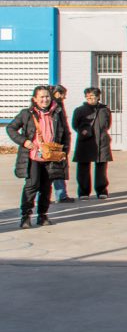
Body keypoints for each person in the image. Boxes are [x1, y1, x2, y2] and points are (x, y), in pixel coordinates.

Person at [6, 86, 70, 228]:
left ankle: (42, 215)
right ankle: (26, 216)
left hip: (51, 156)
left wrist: (64, 152)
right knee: (32, 185)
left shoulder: (57, 113)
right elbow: (10, 128)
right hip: (33, 157)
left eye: (47, 96)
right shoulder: (26, 114)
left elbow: (66, 133)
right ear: (35, 99)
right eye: (41, 97)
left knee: (46, 187)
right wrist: (24, 141)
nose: (45, 99)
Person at [71, 87, 113, 199]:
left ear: (98, 96)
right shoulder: (79, 110)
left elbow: (107, 125)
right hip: (85, 141)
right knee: (83, 167)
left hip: (101, 141)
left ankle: (102, 190)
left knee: (101, 167)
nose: (90, 98)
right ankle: (84, 192)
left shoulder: (105, 110)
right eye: (88, 96)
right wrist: (84, 132)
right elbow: (75, 125)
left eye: (92, 96)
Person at [48, 85, 75, 203]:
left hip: (58, 142)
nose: (65, 97)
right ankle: (58, 195)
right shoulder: (53, 106)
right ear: (57, 93)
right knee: (51, 170)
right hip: (53, 143)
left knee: (57, 169)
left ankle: (60, 194)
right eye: (63, 94)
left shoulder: (58, 106)